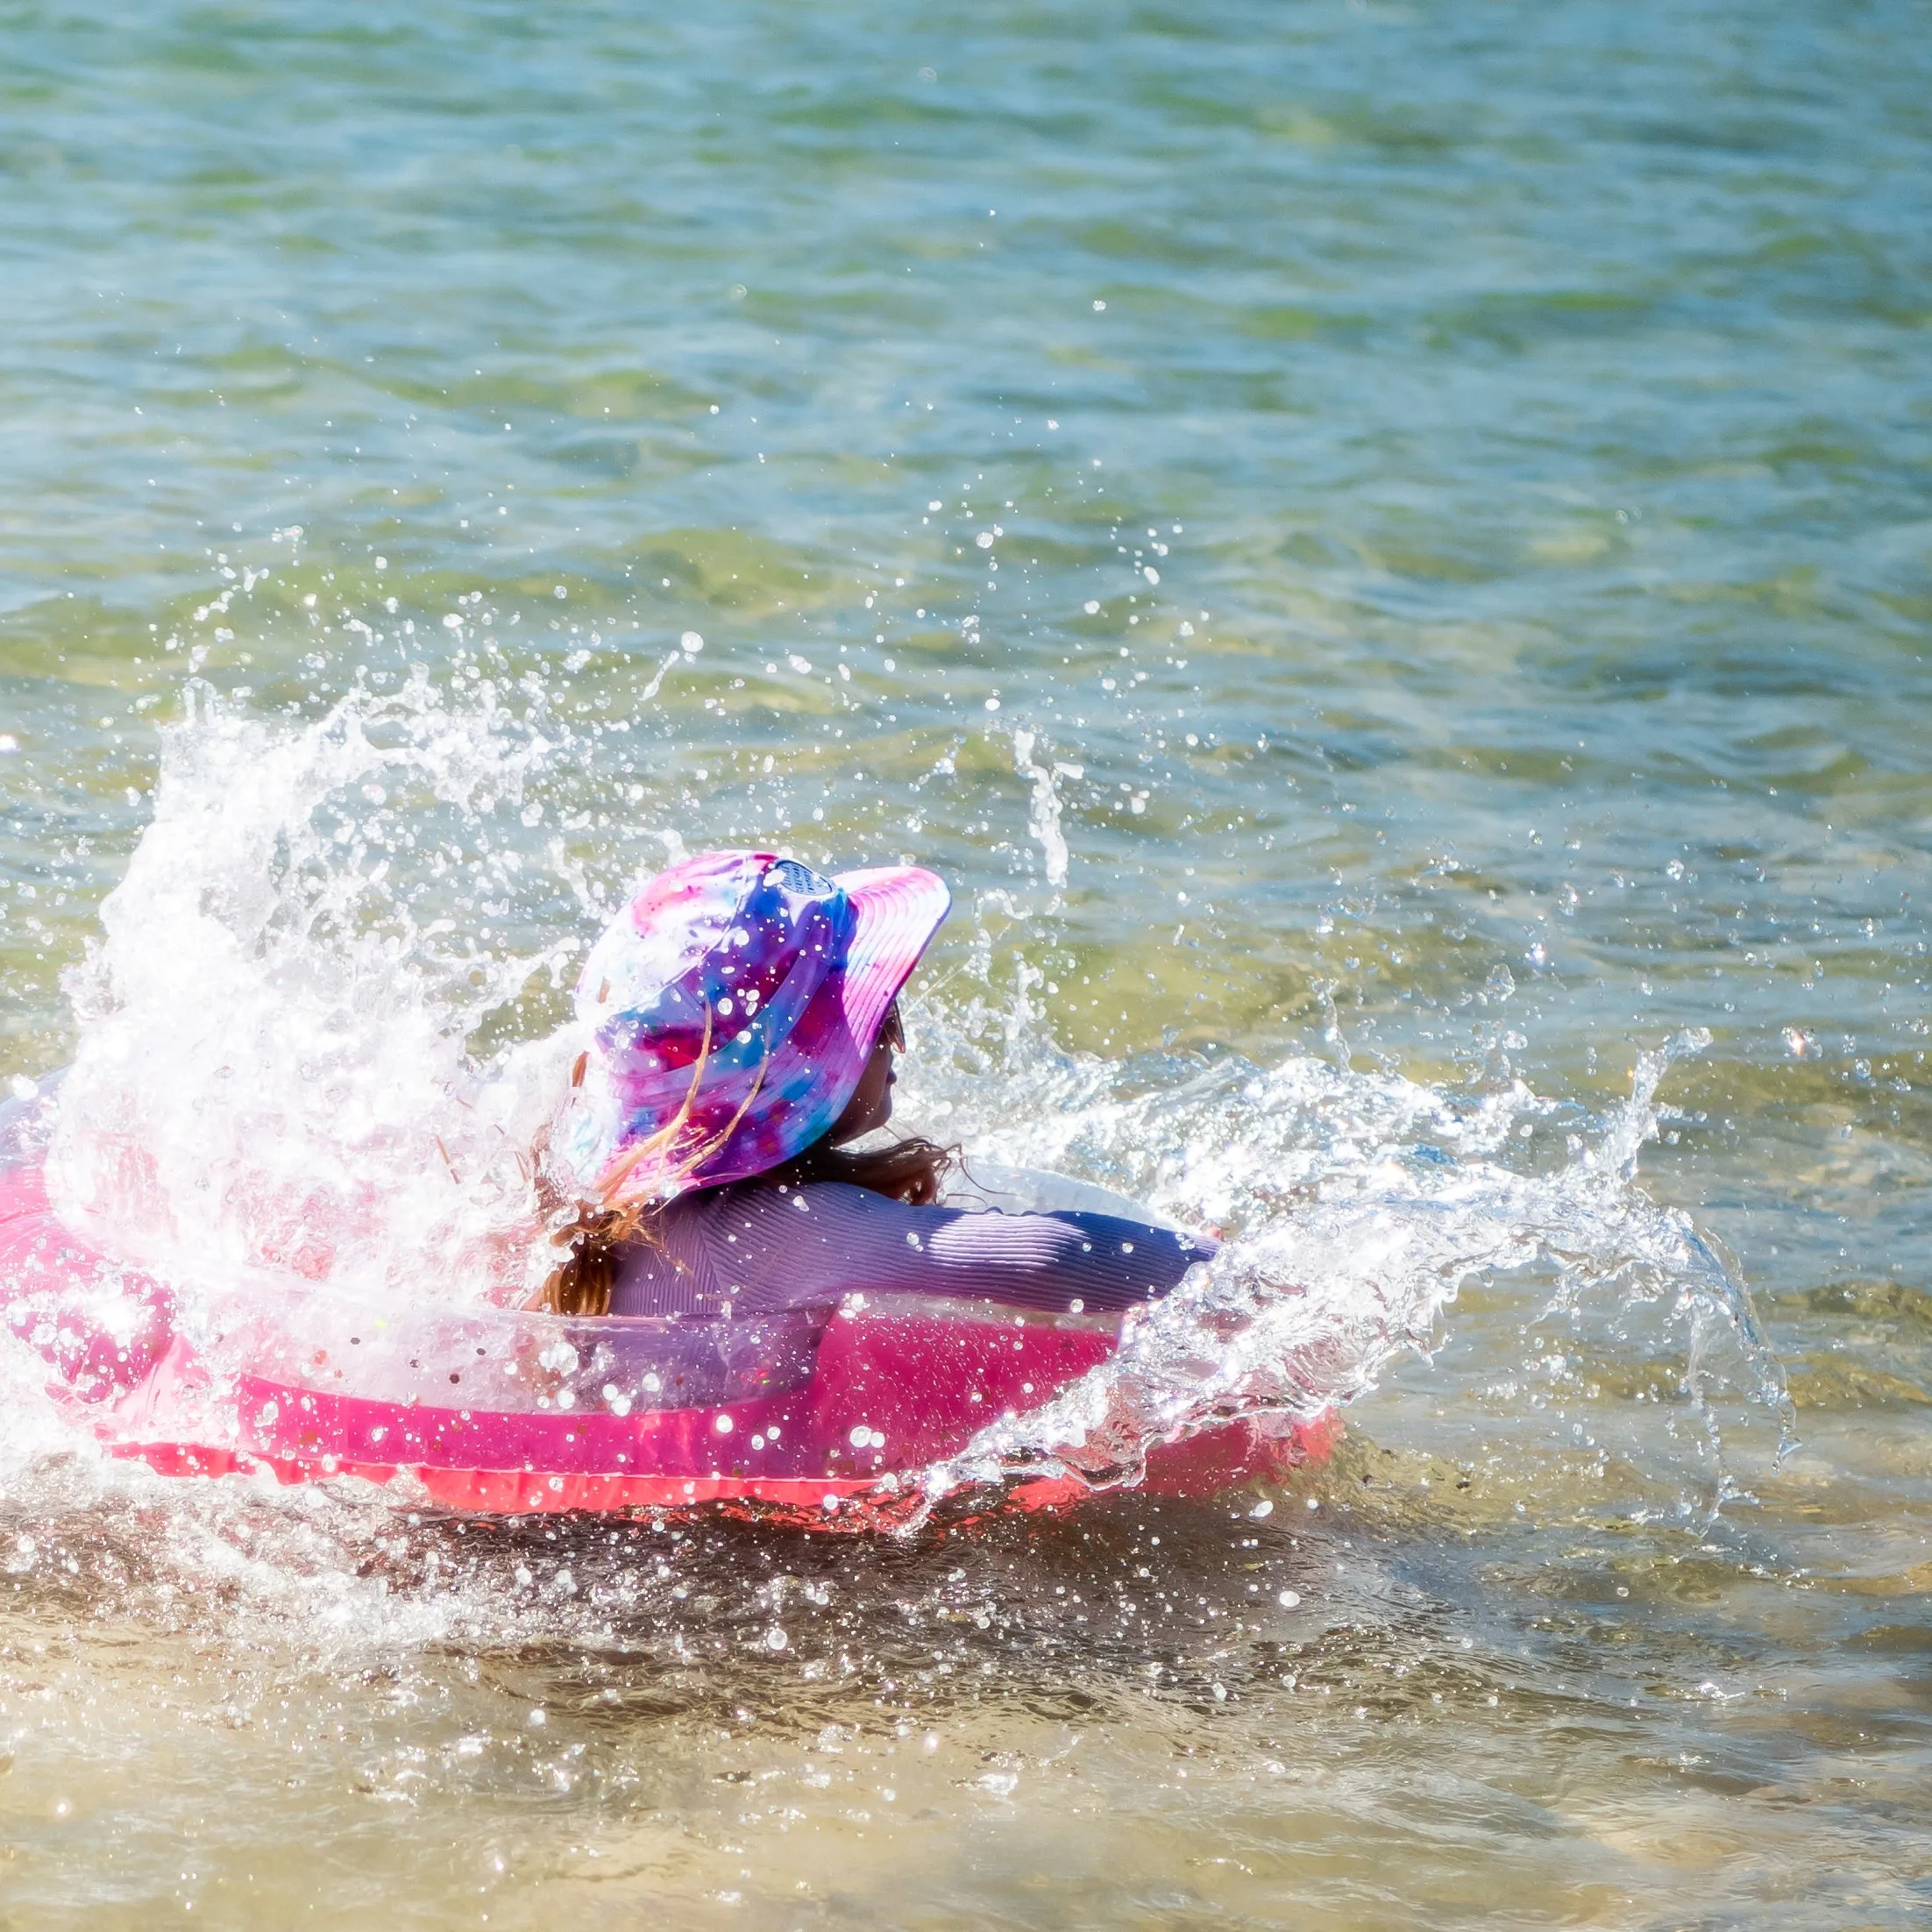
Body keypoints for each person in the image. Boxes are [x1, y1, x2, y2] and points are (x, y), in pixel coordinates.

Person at [536, 849, 1215, 1323]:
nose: (896, 1035)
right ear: (796, 1070)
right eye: (874, 1009)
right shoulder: (777, 1229)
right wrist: (1242, 1280)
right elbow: (1051, 1256)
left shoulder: (609, 1211)